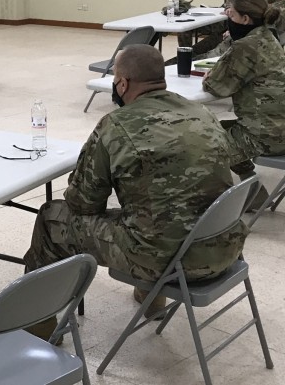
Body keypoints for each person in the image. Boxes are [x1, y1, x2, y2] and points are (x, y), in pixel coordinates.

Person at [24, 44, 248, 340]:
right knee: (153, 214)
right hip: (224, 248)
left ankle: (38, 330)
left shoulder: (116, 125)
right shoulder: (202, 113)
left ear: (122, 83)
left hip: (169, 262)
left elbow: (83, 204)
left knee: (52, 217)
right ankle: (151, 297)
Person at [202, 0, 285, 208]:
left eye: (231, 14)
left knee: (201, 137)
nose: (228, 18)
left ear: (245, 19)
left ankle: (206, 202)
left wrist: (210, 76)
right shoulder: (269, 37)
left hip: (267, 136)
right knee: (222, 128)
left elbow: (217, 86)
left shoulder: (245, 46)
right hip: (280, 127)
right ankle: (253, 190)